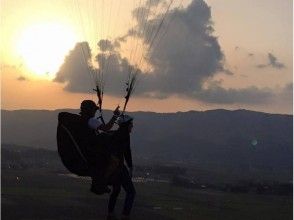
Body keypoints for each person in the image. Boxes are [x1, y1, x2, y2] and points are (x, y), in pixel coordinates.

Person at [79, 99, 120, 194]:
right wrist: (115, 116)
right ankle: (102, 183)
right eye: (94, 110)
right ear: (89, 110)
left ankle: (99, 183)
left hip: (86, 148)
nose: (95, 111)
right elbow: (106, 128)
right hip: (93, 150)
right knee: (114, 161)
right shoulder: (91, 121)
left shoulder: (81, 119)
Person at [107, 116, 136, 220]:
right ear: (126, 125)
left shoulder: (115, 134)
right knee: (131, 192)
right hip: (119, 167)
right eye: (130, 124)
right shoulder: (124, 136)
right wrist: (130, 166)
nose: (132, 126)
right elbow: (127, 152)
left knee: (116, 190)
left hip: (113, 167)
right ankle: (125, 215)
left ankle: (110, 213)